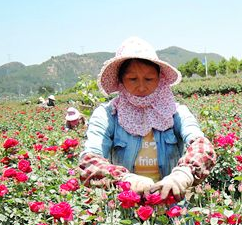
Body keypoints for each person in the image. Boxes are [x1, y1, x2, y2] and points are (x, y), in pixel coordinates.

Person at [78, 37, 216, 198]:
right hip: (127, 209)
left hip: (171, 204)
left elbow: (201, 144)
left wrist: (184, 173)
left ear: (160, 79)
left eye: (149, 79)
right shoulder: (108, 115)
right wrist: (125, 180)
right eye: (132, 79)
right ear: (121, 80)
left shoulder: (174, 112)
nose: (142, 87)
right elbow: (89, 161)